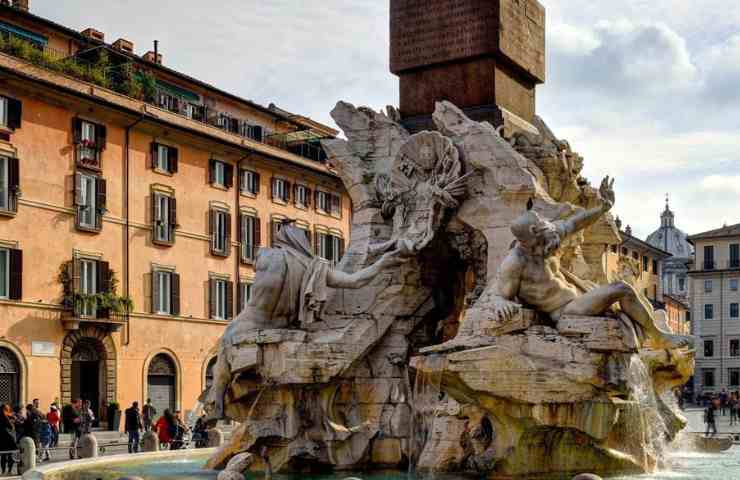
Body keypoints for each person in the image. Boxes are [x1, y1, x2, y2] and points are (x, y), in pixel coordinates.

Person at [208, 222, 406, 419]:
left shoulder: (266, 255)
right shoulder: (315, 268)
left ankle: (215, 402)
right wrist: (382, 263)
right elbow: (355, 281)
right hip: (282, 326)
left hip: (250, 323)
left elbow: (256, 266)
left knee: (224, 348)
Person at [470, 178, 692, 352]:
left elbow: (575, 222)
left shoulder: (547, 236)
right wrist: (499, 304)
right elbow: (498, 294)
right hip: (565, 311)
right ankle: (658, 336)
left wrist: (603, 208)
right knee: (621, 289)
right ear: (529, 239)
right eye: (544, 238)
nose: (552, 241)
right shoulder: (515, 262)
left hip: (579, 296)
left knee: (626, 292)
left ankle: (655, 333)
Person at [0, 405, 16, 475]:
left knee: (3, 456)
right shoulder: (4, 416)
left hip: (1, 438)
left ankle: (3, 471)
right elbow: (11, 426)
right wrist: (12, 421)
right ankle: (9, 471)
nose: (9, 409)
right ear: (5, 409)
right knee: (10, 455)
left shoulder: (5, 415)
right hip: (8, 437)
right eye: (8, 408)